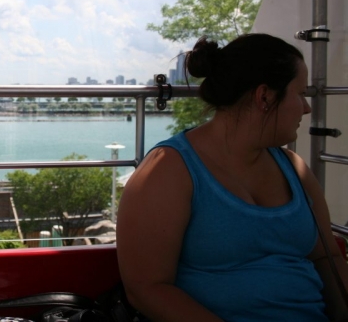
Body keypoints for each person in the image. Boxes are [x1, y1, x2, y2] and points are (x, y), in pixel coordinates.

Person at [116, 34, 348, 322]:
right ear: (265, 96)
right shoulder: (169, 171)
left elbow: (326, 258)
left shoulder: (295, 169)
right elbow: (146, 289)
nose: (307, 107)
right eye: (300, 93)